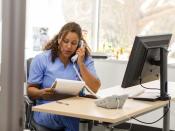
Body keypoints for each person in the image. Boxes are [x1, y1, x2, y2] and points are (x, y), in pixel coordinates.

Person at [27, 22, 101, 131]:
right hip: (46, 111)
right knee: (70, 116)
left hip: (74, 108)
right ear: (59, 40)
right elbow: (30, 90)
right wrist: (41, 93)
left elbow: (95, 88)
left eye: (74, 43)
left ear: (79, 44)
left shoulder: (84, 60)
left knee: (75, 114)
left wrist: (80, 63)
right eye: (66, 41)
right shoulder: (41, 59)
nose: (69, 46)